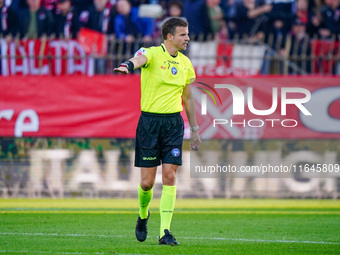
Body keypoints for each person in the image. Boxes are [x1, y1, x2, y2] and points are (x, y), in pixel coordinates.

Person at [114, 17, 201, 245]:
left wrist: (195, 128)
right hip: (149, 124)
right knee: (146, 183)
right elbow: (139, 58)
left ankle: (165, 232)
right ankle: (143, 215)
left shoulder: (186, 64)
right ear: (170, 36)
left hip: (173, 124)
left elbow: (188, 99)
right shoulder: (153, 53)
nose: (187, 38)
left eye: (187, 34)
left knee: (170, 176)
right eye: (183, 34)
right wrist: (128, 65)